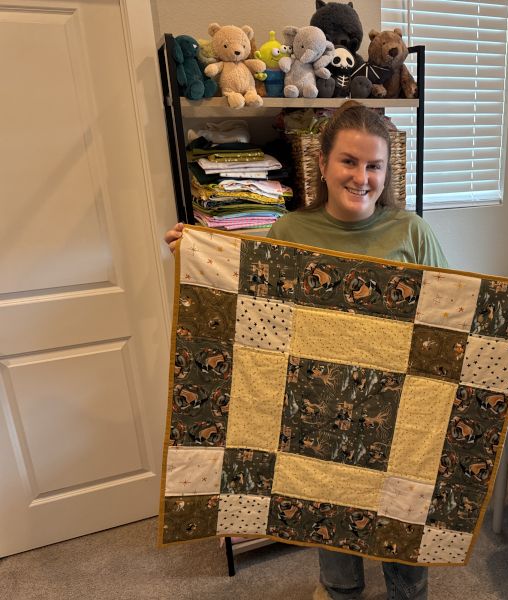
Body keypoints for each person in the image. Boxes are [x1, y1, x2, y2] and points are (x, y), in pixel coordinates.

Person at [164, 100, 447, 600]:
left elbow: (447, 319)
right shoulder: (291, 232)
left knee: (403, 534)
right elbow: (261, 316)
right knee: (333, 524)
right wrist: (201, 256)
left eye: (374, 165)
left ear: (387, 170)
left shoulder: (412, 232)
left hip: (397, 407)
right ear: (323, 164)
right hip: (321, 407)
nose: (362, 177)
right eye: (349, 162)